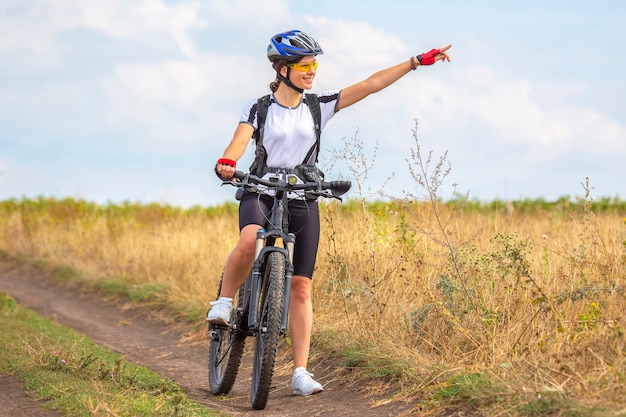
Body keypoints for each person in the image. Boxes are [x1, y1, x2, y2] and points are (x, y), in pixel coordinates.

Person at [208, 29, 451, 396]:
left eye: (314, 65)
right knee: (249, 239)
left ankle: (300, 371)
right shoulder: (258, 108)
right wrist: (229, 161)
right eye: (305, 66)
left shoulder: (317, 105)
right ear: (282, 69)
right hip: (261, 189)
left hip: (303, 193)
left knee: (301, 286)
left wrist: (416, 62)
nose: (312, 71)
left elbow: (370, 84)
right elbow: (240, 140)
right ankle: (225, 302)